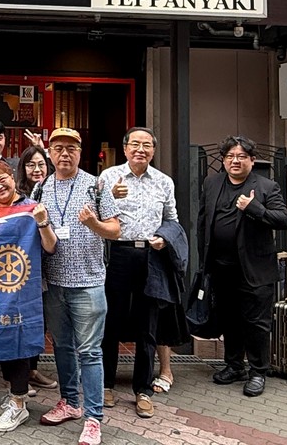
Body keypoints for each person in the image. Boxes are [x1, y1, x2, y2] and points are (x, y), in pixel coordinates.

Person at [35, 127, 121, 445]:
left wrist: (94, 224)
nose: (64, 154)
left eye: (71, 148)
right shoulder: (40, 188)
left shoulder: (96, 186)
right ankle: (70, 403)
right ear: (50, 153)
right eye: (58, 148)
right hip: (53, 282)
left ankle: (94, 418)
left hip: (89, 283)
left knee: (90, 351)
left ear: (80, 152)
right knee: (61, 346)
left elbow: (115, 230)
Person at [96, 127, 179, 419]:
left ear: (153, 151)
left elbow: (172, 220)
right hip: (118, 254)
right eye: (135, 144)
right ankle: (106, 384)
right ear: (125, 148)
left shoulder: (164, 182)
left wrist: (165, 238)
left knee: (148, 324)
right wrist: (108, 196)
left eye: (146, 145)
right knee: (111, 321)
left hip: (151, 257)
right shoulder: (108, 177)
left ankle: (142, 389)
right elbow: (92, 213)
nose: (140, 149)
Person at [200, 135, 287, 398]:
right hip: (221, 266)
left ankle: (258, 372)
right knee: (229, 319)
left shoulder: (267, 186)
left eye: (241, 156)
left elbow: (283, 219)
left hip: (255, 268)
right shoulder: (212, 183)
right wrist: (204, 260)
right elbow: (203, 221)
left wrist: (255, 208)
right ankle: (234, 366)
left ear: (252, 160)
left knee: (257, 323)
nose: (235, 161)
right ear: (223, 160)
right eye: (230, 156)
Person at [0, 160, 58, 433]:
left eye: (2, 179)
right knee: (2, 339)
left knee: (18, 342)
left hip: (23, 289)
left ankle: (19, 403)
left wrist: (42, 221)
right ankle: (13, 394)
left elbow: (51, 247)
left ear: (12, 178)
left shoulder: (30, 208)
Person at [16, 145, 58, 393]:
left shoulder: (53, 191)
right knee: (20, 321)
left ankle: (32, 370)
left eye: (41, 164)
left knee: (39, 321)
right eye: (31, 164)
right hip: (20, 269)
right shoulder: (15, 195)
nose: (36, 169)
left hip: (48, 267)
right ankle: (17, 377)